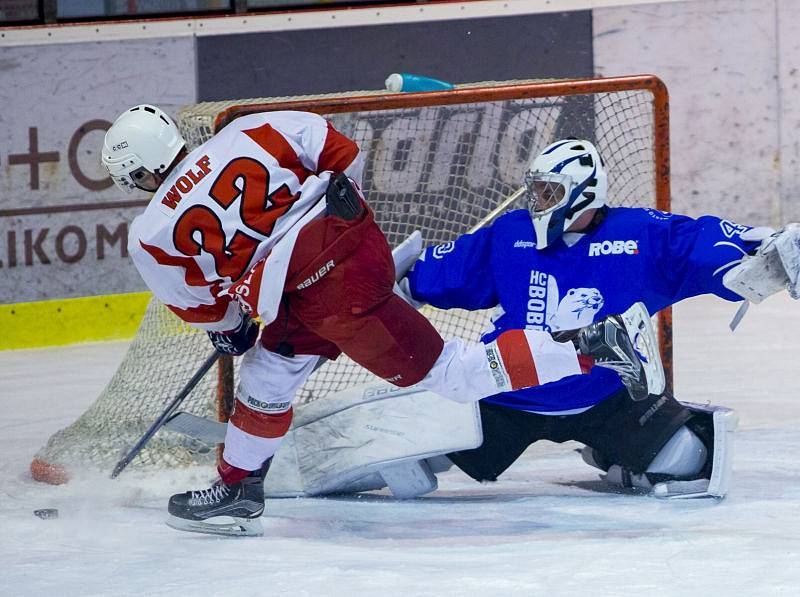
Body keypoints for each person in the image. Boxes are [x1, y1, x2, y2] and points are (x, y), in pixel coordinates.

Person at [100, 108, 656, 535]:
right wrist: (341, 232)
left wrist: (231, 326)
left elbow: (199, 305)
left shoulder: (150, 232)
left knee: (453, 374)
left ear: (138, 174)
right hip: (347, 251)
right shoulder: (253, 130)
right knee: (270, 372)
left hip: (325, 294)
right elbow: (339, 151)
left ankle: (594, 344)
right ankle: (237, 489)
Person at [398, 137, 800, 499]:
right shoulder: (509, 234)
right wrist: (394, 283)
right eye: (536, 190)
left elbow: (701, 241)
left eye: (549, 191)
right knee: (407, 459)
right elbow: (445, 272)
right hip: (506, 398)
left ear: (583, 194)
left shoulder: (640, 232)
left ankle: (612, 453)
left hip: (608, 397)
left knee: (687, 458)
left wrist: (754, 257)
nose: (538, 200)